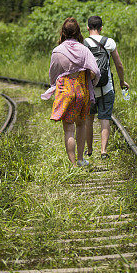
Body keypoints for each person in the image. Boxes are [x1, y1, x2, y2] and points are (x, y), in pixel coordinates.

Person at [41, 17, 100, 167]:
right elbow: (95, 71)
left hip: (65, 91)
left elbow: (53, 75)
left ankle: (73, 163)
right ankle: (81, 159)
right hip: (82, 91)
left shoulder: (58, 51)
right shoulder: (84, 49)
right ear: (78, 32)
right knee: (81, 125)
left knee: (69, 129)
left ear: (63, 32)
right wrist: (88, 80)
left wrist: (56, 86)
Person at [84, 15, 129, 159]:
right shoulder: (109, 42)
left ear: (88, 27)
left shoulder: (83, 43)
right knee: (105, 119)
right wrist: (122, 82)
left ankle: (89, 150)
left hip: (89, 89)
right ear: (101, 28)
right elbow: (119, 65)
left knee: (88, 120)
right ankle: (103, 151)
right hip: (107, 87)